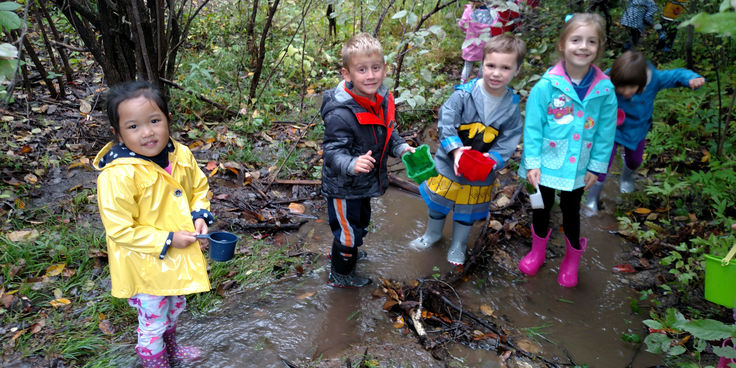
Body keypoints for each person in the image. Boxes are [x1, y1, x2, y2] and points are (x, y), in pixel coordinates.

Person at [94, 81, 213, 367]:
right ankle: (155, 361)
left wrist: (199, 214)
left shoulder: (180, 154)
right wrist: (168, 238)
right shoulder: (118, 176)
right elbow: (120, 229)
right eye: (133, 126)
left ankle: (171, 350)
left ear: (168, 120)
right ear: (118, 133)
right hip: (143, 265)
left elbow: (198, 187)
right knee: (153, 320)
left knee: (172, 308)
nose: (147, 132)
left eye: (154, 121)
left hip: (174, 257)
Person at [517, 13, 617, 288]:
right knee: (541, 206)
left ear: (599, 47)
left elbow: (606, 132)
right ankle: (537, 251)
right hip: (545, 164)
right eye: (576, 40)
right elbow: (534, 127)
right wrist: (532, 163)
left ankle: (571, 260)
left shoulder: (605, 89)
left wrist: (597, 166)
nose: (583, 46)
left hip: (578, 166)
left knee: (572, 210)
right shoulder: (546, 86)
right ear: (562, 44)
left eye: (591, 41)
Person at [412, 34, 527, 266]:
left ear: (517, 71)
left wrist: (493, 159)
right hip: (449, 164)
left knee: (467, 208)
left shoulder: (512, 107)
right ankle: (433, 234)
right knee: (439, 201)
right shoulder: (463, 95)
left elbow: (509, 139)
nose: (496, 73)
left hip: (482, 170)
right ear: (481, 65)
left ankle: (458, 244)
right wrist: (455, 151)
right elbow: (446, 123)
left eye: (505, 68)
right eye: (491, 65)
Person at [320, 32, 414, 288]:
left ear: (385, 69)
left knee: (358, 224)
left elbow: (387, 132)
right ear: (347, 74)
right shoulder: (341, 113)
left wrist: (402, 147)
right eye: (362, 70)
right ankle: (340, 275)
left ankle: (343, 252)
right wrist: (351, 164)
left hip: (363, 183)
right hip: (343, 185)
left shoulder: (379, 100)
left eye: (375, 68)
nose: (370, 75)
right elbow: (331, 151)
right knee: (348, 232)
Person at [583, 50, 704, 214]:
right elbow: (588, 89)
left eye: (631, 87)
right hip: (610, 129)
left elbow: (676, 74)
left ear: (641, 83)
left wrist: (690, 78)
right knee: (601, 165)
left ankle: (626, 178)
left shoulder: (654, 80)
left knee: (635, 161)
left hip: (636, 130)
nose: (625, 92)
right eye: (621, 87)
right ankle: (591, 202)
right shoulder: (607, 79)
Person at [458, 1, 497, 84]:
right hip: (485, 43)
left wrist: (467, 31)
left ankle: (462, 83)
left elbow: (462, 24)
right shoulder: (491, 12)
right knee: (483, 65)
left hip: (471, 42)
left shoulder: (469, 10)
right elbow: (495, 25)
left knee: (468, 65)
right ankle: (478, 83)